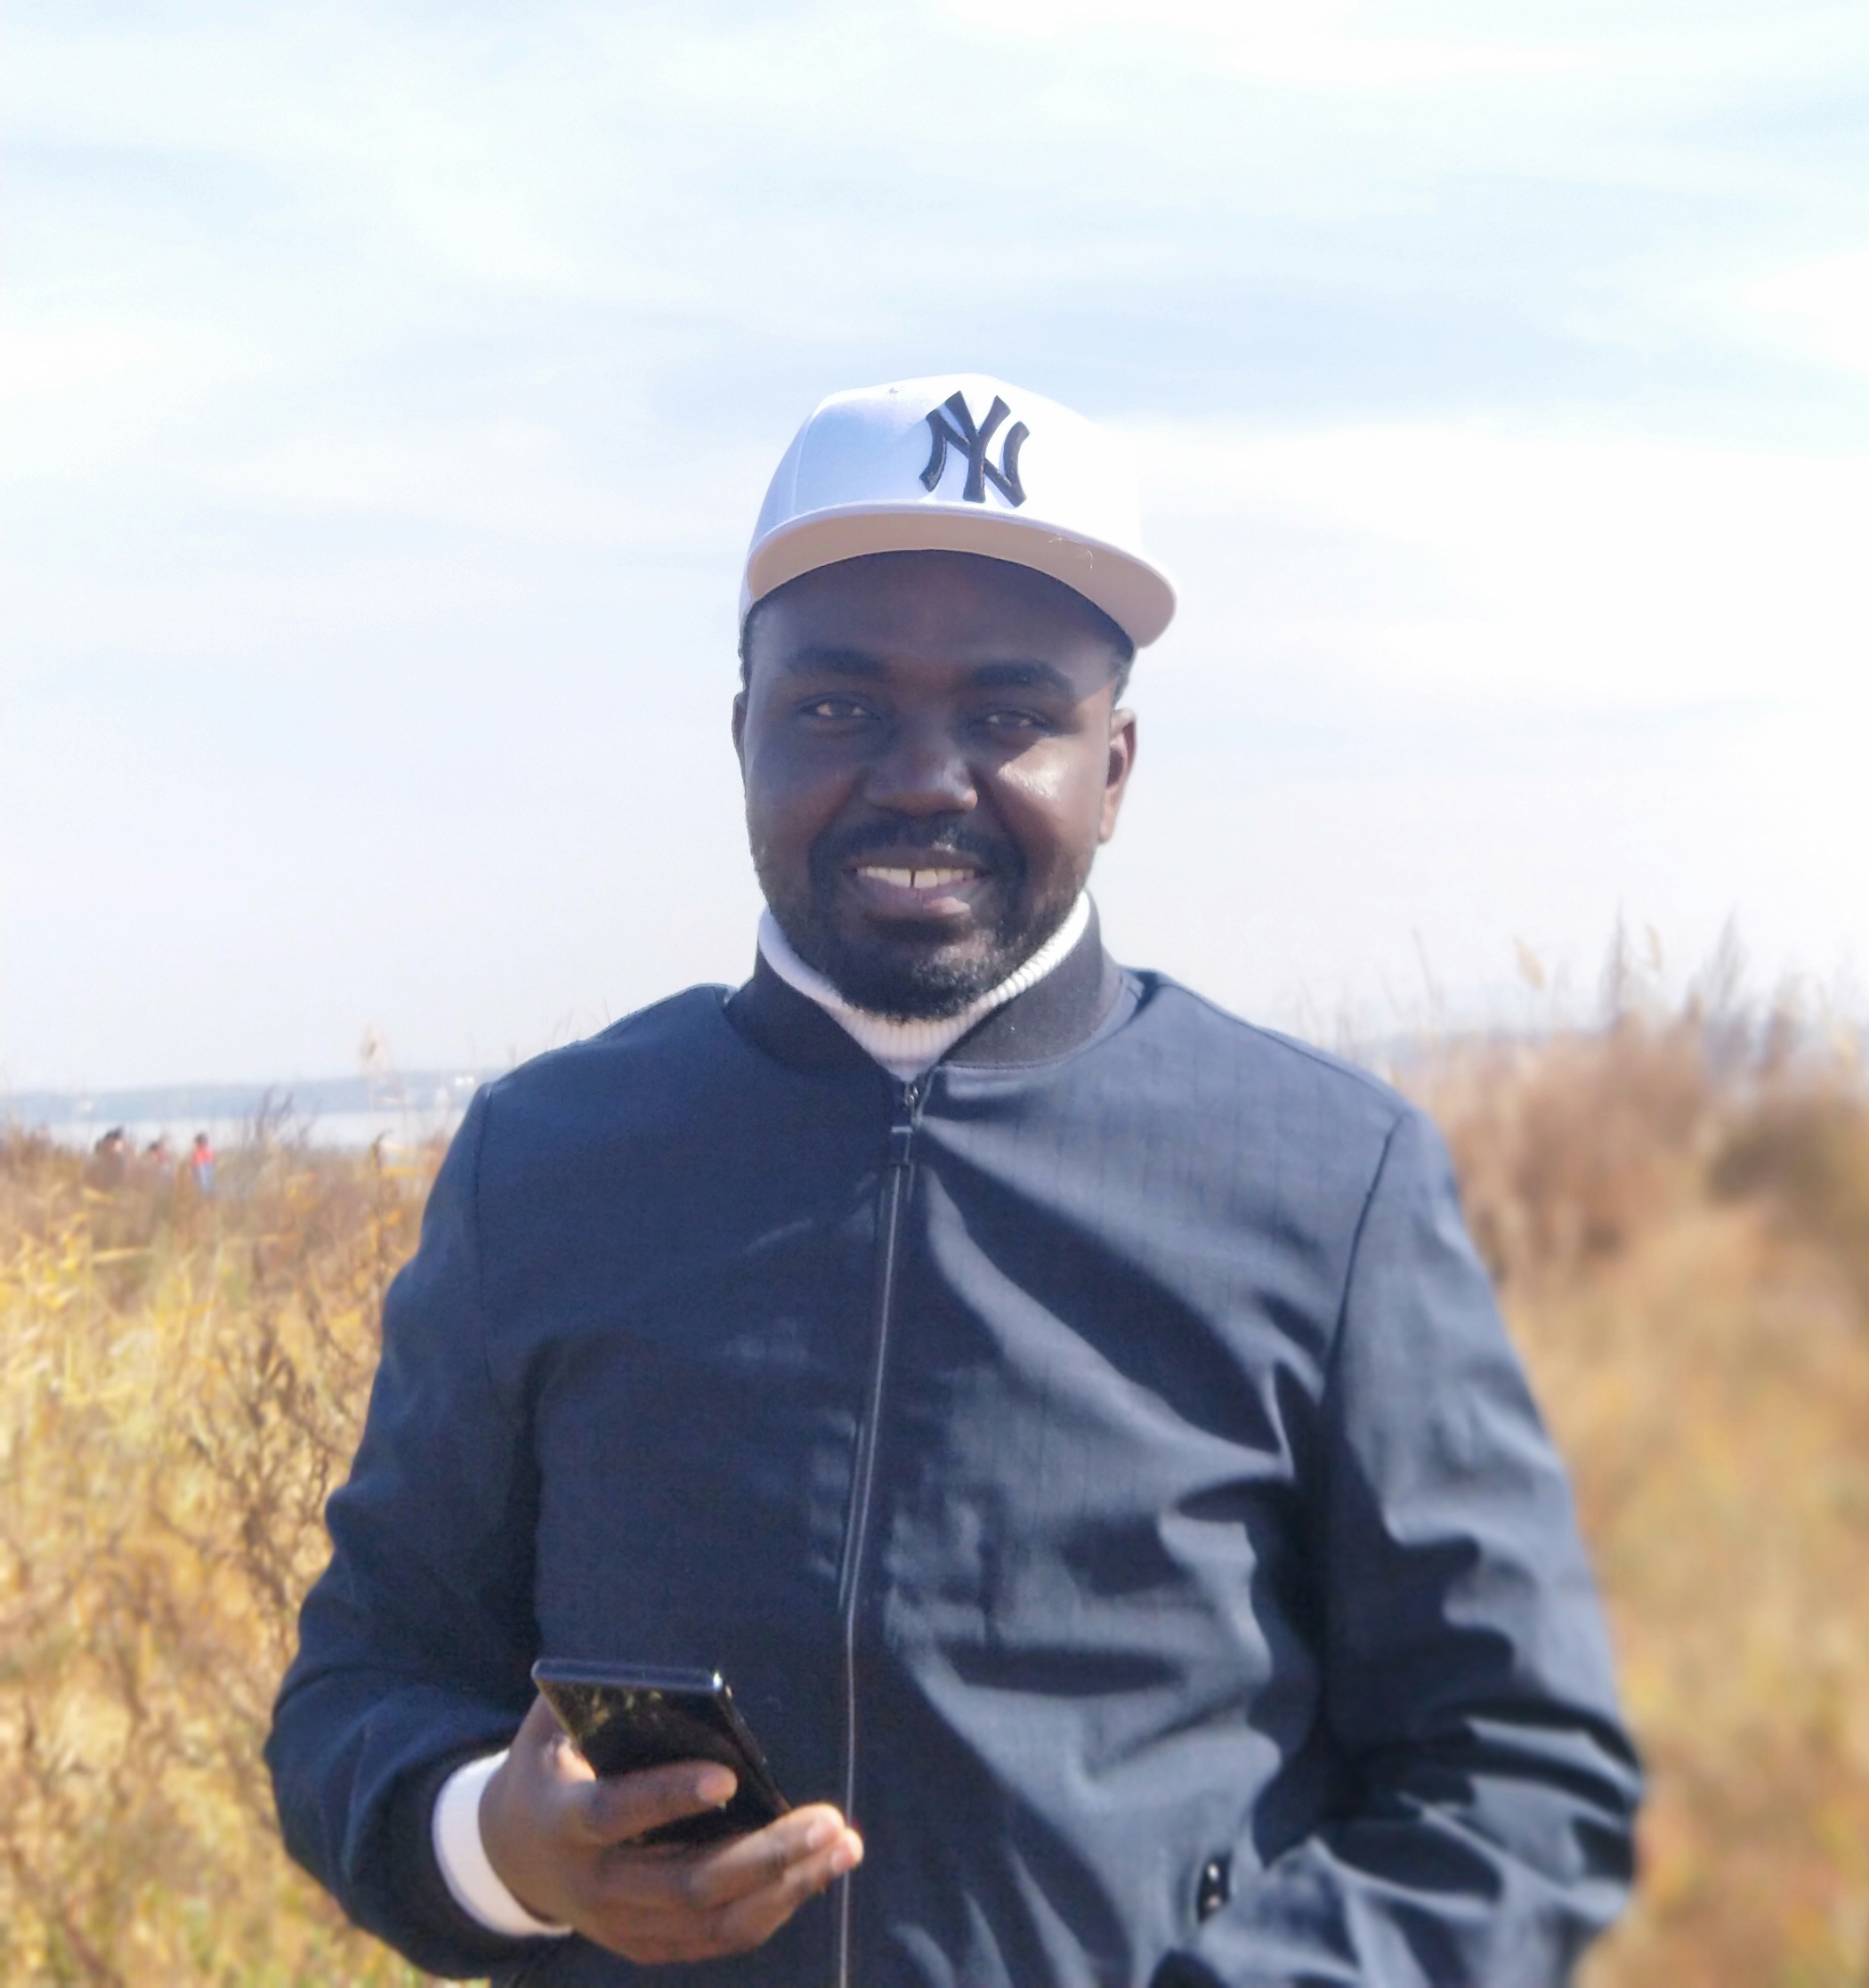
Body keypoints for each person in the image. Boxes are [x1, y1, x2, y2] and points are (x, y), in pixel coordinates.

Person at [269, 375, 1640, 1985]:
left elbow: (1518, 1783)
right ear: (742, 735)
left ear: (1114, 765)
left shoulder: (1331, 1182)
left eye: (1007, 716)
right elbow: (364, 1687)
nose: (923, 778)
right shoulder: (547, 1163)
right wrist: (499, 1848)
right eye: (838, 708)